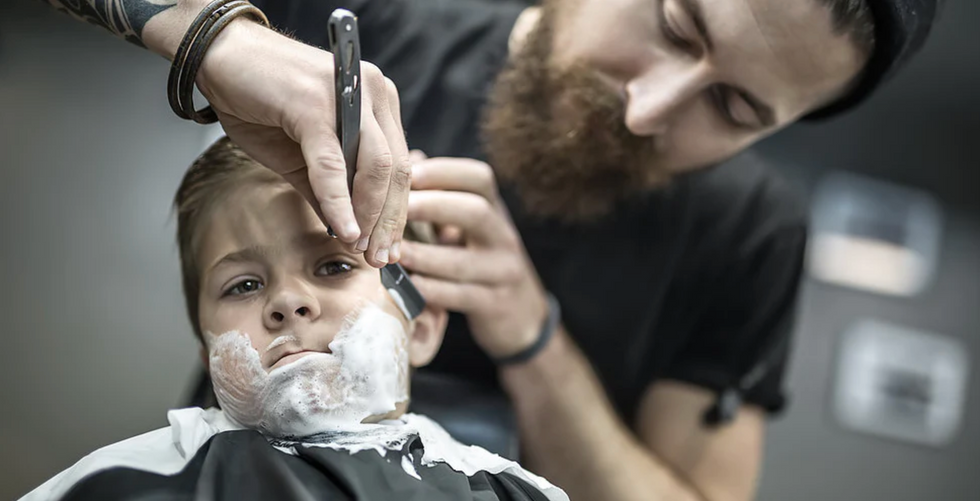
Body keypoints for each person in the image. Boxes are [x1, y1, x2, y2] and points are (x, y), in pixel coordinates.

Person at [41, 0, 942, 499]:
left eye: (735, 110)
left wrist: (533, 340)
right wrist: (213, 34)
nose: (648, 109)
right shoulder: (376, 27)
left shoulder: (752, 237)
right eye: (673, 25)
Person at [20, 136, 568, 501]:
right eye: (245, 285)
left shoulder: (504, 489)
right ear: (209, 353)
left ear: (419, 327)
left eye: (333, 265)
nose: (286, 301)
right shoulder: (124, 480)